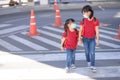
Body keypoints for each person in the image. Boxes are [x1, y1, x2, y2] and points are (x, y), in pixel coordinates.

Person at [79, 5, 100, 73]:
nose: (84, 14)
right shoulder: (83, 20)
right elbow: (80, 30)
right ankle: (88, 61)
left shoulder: (95, 20)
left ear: (89, 12)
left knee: (92, 53)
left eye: (84, 12)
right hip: (85, 39)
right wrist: (79, 39)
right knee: (87, 52)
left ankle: (93, 66)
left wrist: (97, 39)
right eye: (83, 12)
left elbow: (97, 31)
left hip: (92, 39)